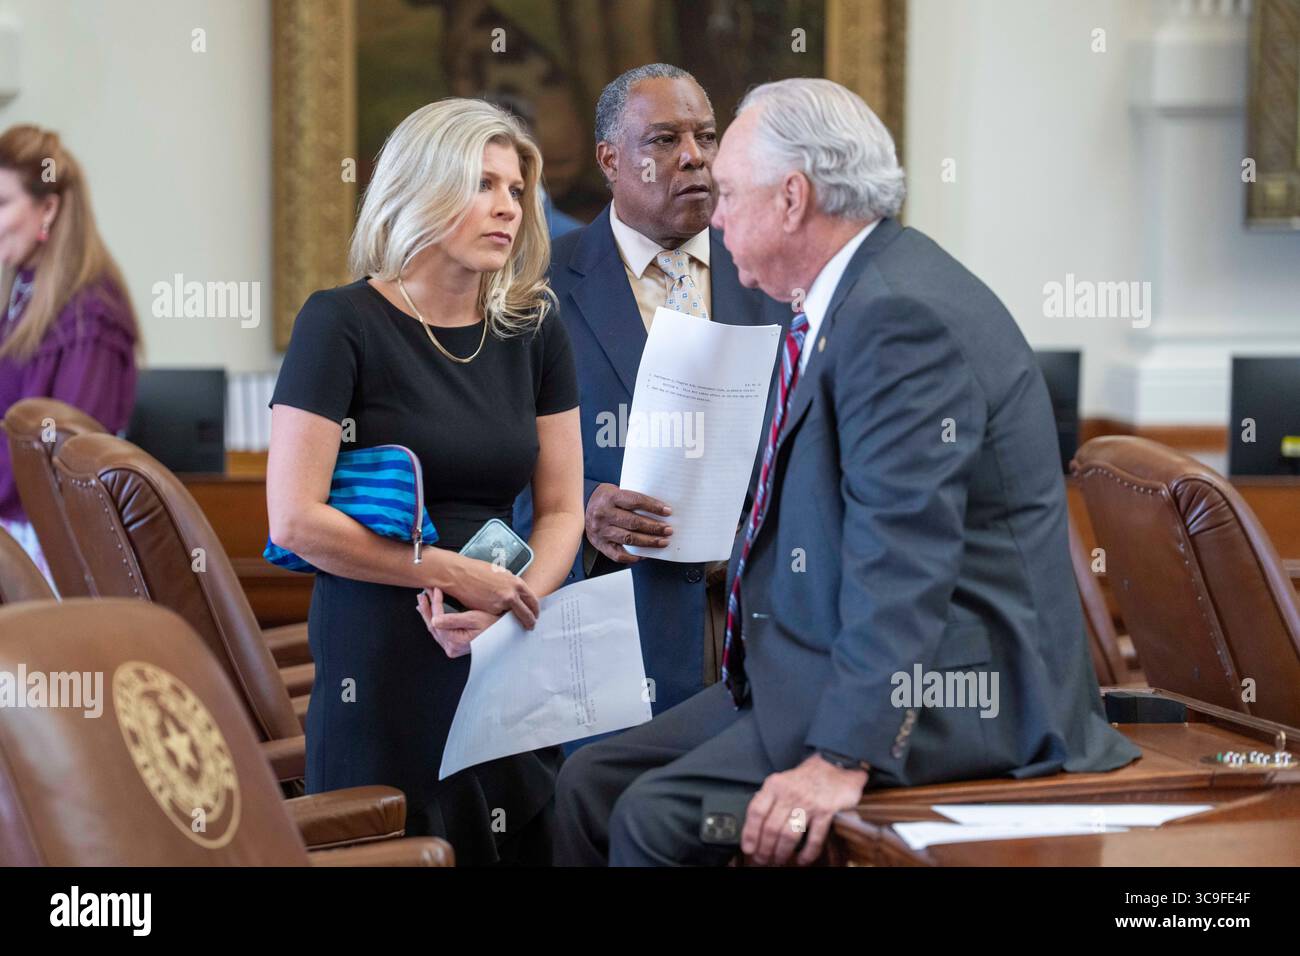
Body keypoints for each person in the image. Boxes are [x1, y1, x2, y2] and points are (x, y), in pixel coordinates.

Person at [553, 78, 1141, 867]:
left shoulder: (899, 316)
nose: (715, 216)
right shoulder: (857, 291)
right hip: (815, 673)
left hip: (948, 701)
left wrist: (841, 758)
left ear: (792, 199)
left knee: (652, 820)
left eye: (729, 193)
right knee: (589, 781)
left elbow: (905, 556)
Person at [266, 99, 584, 865]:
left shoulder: (533, 328)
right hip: (382, 640)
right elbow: (293, 521)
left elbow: (563, 508)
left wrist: (512, 606)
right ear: (420, 187)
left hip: (505, 640)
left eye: (516, 188)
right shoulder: (338, 322)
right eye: (483, 184)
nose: (508, 206)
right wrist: (444, 571)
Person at [513, 64, 787, 729]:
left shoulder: (778, 274)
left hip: (764, 635)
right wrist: (578, 517)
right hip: (606, 634)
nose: (694, 156)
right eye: (663, 140)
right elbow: (493, 465)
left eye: (706, 136)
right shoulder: (534, 291)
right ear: (611, 159)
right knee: (611, 821)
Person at [0, 124, 138, 584]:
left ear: (49, 207)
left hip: (49, 547)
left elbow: (67, 456)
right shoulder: (22, 290)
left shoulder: (89, 316)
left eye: (2, 203)